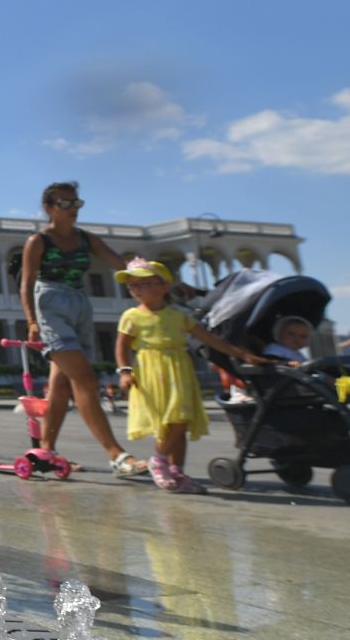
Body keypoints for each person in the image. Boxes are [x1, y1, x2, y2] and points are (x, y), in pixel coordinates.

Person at [19, 181, 151, 477]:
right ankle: (116, 455)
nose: (72, 210)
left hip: (80, 304)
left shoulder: (86, 239)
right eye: (65, 204)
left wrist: (152, 279)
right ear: (49, 208)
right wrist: (31, 321)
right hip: (51, 305)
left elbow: (121, 266)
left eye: (76, 203)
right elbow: (26, 283)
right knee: (86, 380)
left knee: (62, 385)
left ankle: (45, 451)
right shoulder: (38, 241)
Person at [114, 258, 270, 493]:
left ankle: (176, 471)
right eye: (132, 286)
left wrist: (243, 355)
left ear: (164, 286)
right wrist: (125, 371)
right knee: (170, 423)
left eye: (143, 284)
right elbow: (122, 346)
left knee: (181, 420)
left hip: (178, 370)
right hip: (151, 372)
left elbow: (211, 340)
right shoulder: (131, 316)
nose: (136, 290)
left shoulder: (179, 317)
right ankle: (160, 461)